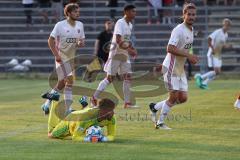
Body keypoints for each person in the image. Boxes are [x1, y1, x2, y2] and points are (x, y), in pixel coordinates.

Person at [149, 3, 198, 129]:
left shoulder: (191, 30)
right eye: (189, 14)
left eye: (193, 14)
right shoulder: (178, 30)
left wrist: (188, 58)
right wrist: (188, 55)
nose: (191, 17)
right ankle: (160, 123)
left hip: (180, 69)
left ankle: (155, 107)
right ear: (184, 15)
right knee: (173, 96)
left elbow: (183, 50)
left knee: (183, 98)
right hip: (171, 67)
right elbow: (170, 48)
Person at [41, 3, 85, 115]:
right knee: (69, 80)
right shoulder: (60, 25)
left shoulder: (80, 25)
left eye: (78, 11)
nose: (77, 13)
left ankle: (46, 103)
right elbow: (50, 41)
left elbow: (81, 41)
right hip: (61, 57)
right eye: (75, 12)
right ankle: (68, 109)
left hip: (71, 58)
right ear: (69, 13)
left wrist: (80, 43)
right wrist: (56, 55)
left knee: (61, 83)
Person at [90, 5, 138, 109]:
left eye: (135, 11)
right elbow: (118, 40)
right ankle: (93, 97)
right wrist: (130, 50)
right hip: (116, 54)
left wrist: (132, 47)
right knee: (109, 78)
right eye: (133, 11)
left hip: (124, 54)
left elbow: (126, 40)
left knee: (128, 76)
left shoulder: (130, 25)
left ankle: (127, 103)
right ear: (126, 12)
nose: (135, 13)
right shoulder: (120, 23)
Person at [48, 98, 116, 142]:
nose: (112, 113)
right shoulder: (86, 118)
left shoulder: (111, 118)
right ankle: (54, 101)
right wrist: (90, 139)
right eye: (110, 110)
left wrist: (102, 139)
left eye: (112, 110)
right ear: (102, 111)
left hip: (80, 119)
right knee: (51, 135)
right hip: (69, 121)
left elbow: (112, 136)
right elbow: (75, 137)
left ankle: (83, 105)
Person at [195, 18, 232, 89]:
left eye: (228, 25)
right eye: (226, 25)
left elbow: (222, 45)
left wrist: (227, 46)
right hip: (212, 54)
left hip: (218, 55)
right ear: (223, 25)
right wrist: (212, 49)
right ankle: (200, 78)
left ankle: (204, 83)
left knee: (217, 72)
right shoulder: (218, 32)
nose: (227, 27)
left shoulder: (226, 35)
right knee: (216, 71)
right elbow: (209, 38)